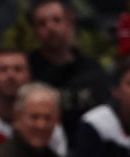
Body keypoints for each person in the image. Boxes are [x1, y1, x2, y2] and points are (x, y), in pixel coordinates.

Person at [22, 0, 107, 131]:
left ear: (70, 23)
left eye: (56, 20)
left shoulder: (92, 69)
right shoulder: (27, 70)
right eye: (42, 23)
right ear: (35, 31)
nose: (50, 28)